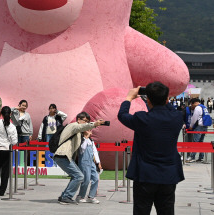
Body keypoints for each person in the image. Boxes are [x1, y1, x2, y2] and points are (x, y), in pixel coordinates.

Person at [118, 83, 185, 214]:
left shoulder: (141, 118)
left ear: (147, 99)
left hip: (145, 174)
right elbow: (169, 108)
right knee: (167, 211)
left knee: (141, 211)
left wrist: (128, 98)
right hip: (168, 174)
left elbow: (122, 115)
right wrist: (162, 96)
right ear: (167, 99)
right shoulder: (177, 117)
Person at [52, 112, 104, 205]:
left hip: (64, 156)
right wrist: (94, 124)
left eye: (88, 121)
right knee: (79, 176)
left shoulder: (78, 131)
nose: (86, 123)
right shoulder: (73, 126)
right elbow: (81, 127)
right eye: (85, 121)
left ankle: (64, 196)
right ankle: (66, 197)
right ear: (78, 119)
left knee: (76, 176)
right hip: (62, 155)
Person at [0, 106, 18, 196]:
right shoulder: (12, 127)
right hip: (6, 149)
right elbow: (14, 141)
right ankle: (2, 190)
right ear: (10, 114)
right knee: (5, 172)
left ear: (0, 114)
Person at [76, 129, 101, 204]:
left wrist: (98, 162)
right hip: (84, 161)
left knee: (96, 178)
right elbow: (82, 149)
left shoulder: (91, 140)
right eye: (88, 130)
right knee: (86, 180)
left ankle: (91, 196)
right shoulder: (81, 139)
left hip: (91, 162)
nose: (90, 131)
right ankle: (81, 196)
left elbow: (95, 151)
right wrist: (86, 138)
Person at [188, 98, 209, 163]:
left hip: (199, 126)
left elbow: (194, 118)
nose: (192, 106)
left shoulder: (197, 108)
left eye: (191, 104)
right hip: (205, 126)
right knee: (201, 142)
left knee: (195, 141)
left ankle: (192, 157)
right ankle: (201, 157)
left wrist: (191, 126)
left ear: (194, 103)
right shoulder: (204, 107)